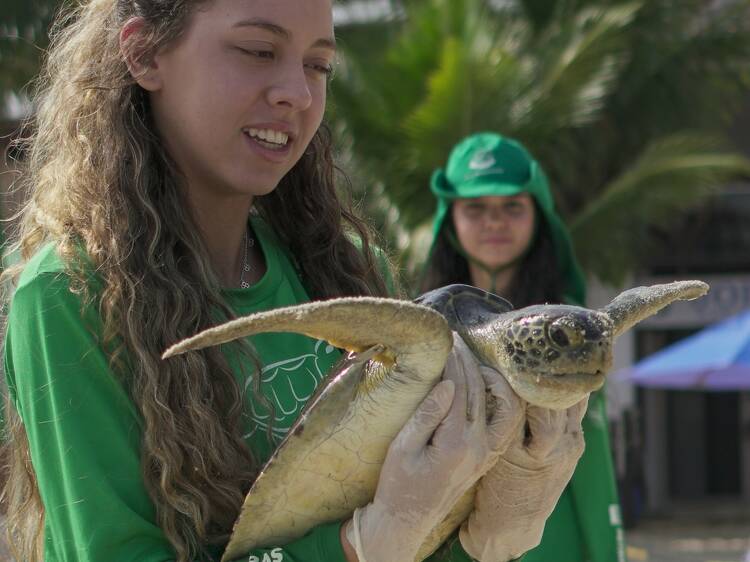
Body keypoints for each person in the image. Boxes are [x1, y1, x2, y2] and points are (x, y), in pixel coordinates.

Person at [1, 2, 586, 561]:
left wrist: (486, 533)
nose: (298, 93)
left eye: (318, 65)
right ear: (145, 54)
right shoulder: (72, 294)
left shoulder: (348, 274)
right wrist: (360, 547)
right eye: (258, 51)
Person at [422, 132, 626, 562]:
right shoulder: (423, 331)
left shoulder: (573, 335)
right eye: (476, 208)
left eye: (512, 206)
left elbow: (592, 472)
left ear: (538, 215)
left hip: (555, 545)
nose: (494, 221)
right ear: (450, 219)